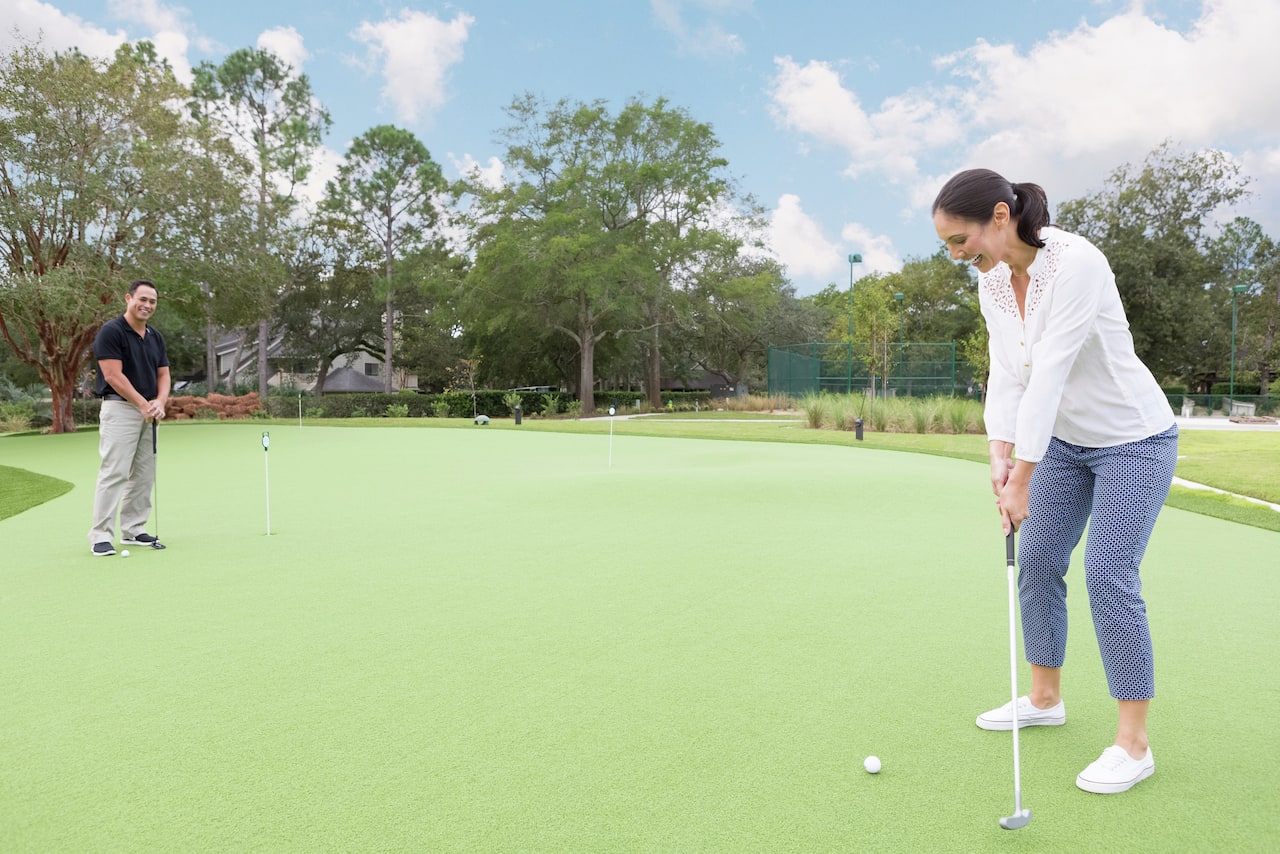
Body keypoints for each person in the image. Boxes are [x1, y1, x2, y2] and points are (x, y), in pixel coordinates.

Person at [932, 169, 1178, 795]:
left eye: (961, 241)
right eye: (947, 246)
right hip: (1066, 442)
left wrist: (1021, 476)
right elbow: (1008, 375)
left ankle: (1134, 744)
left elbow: (1050, 376)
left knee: (1108, 571)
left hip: (1133, 436)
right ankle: (1044, 698)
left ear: (998, 216)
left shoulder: (1077, 264)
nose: (958, 256)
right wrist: (997, 451)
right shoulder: (992, 283)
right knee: (1039, 558)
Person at [88, 280, 170, 556]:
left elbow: (164, 374)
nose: (147, 305)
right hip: (120, 409)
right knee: (115, 472)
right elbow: (113, 375)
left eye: (153, 301)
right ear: (128, 298)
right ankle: (100, 535)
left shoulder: (155, 337)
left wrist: (159, 402)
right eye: (142, 299)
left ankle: (133, 529)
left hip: (149, 412)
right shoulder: (111, 332)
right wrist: (142, 404)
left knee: (145, 474)